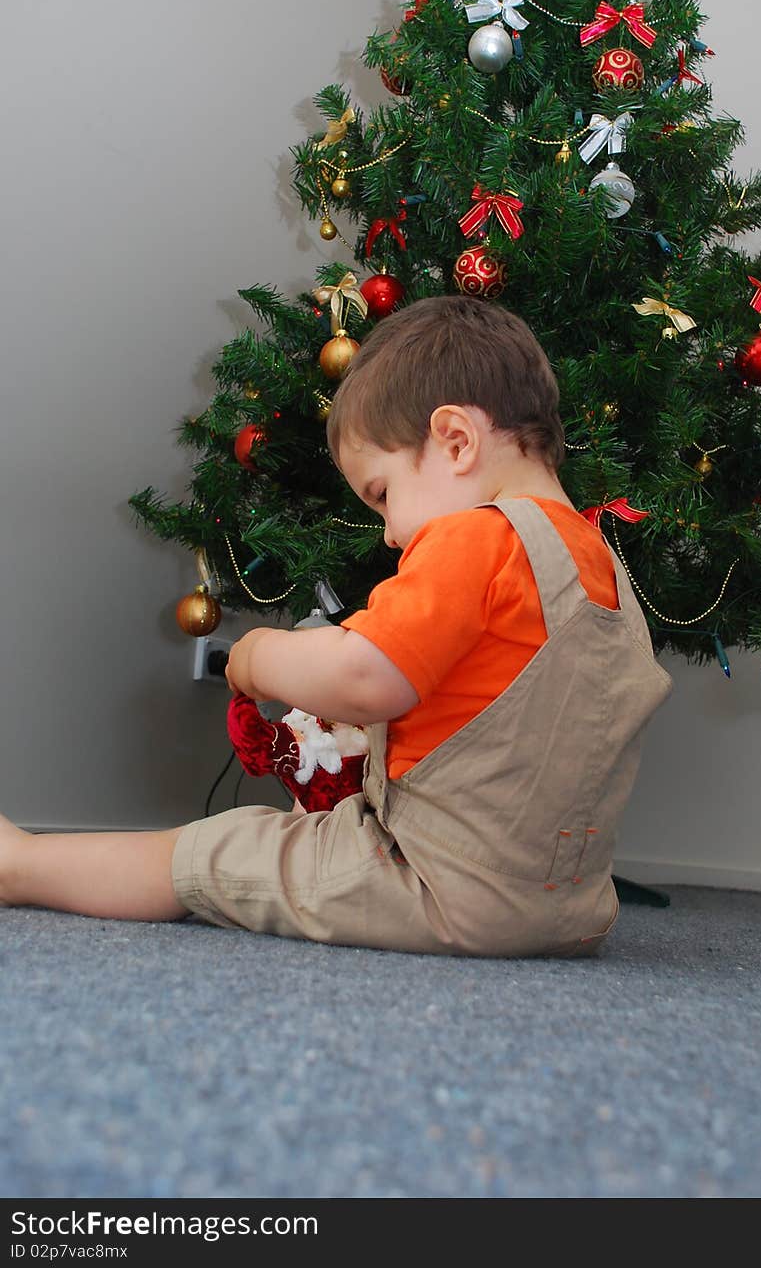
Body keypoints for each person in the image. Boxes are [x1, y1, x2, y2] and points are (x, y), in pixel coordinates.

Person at [0, 296, 672, 955]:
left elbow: (362, 673)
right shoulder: (601, 568)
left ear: (457, 441)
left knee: (216, 851)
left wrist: (261, 654)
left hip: (438, 883)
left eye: (383, 494)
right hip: (570, 906)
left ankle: (22, 863)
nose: (390, 533)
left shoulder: (475, 538)